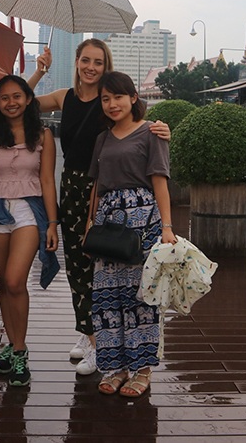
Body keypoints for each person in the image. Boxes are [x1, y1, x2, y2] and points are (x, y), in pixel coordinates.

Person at [27, 39, 169, 375]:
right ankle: (88, 333)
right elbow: (23, 104)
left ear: (106, 66)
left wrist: (162, 127)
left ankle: (102, 340)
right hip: (74, 186)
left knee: (107, 270)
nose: (91, 67)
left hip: (106, 187)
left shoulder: (110, 100)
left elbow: (137, 122)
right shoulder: (66, 97)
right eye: (85, 60)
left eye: (98, 62)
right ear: (76, 62)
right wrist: (38, 71)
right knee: (78, 264)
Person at [85, 71, 175, 397]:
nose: (112, 104)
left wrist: (166, 227)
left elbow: (160, 180)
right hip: (109, 223)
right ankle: (117, 367)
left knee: (140, 296)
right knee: (108, 298)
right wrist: (89, 221)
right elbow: (97, 184)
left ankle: (142, 369)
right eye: (105, 99)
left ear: (133, 97)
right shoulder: (103, 138)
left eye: (118, 97)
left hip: (143, 220)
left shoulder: (152, 133)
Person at [0, 75, 59, 387]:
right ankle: (11, 343)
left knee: (17, 280)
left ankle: (20, 350)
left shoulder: (44, 135)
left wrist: (53, 224)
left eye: (17, 96)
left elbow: (47, 181)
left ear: (28, 99)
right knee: (4, 284)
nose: (11, 102)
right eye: (4, 97)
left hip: (29, 211)